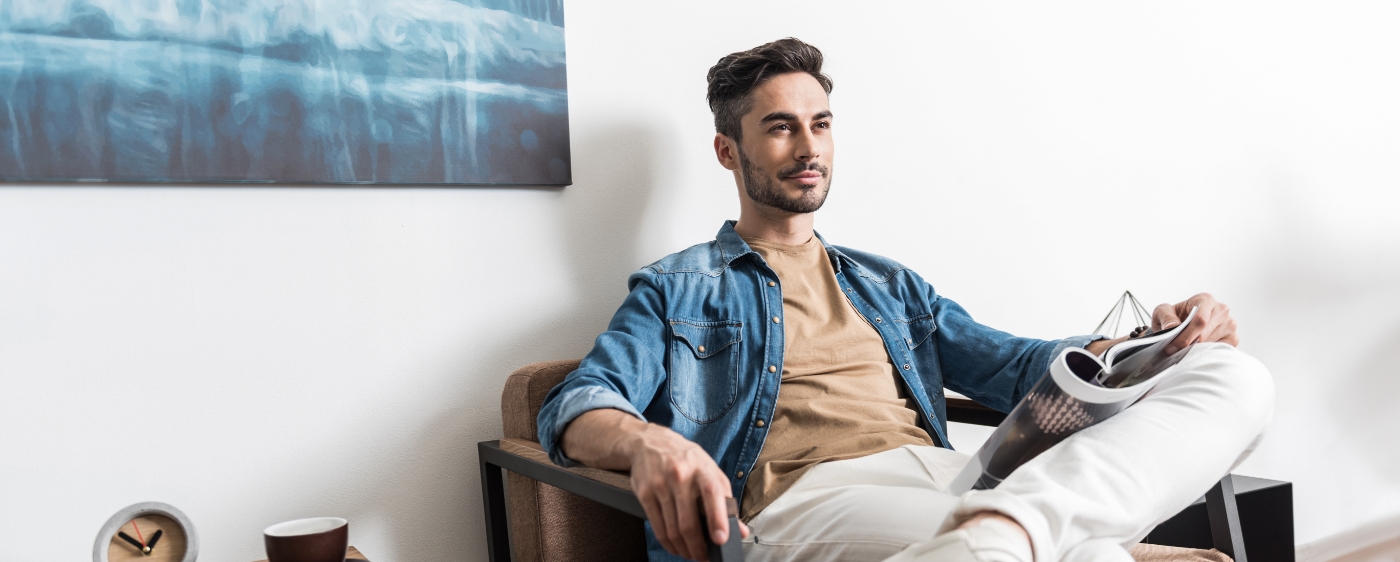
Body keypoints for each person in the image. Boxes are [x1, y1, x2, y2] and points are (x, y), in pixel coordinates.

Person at [536, 38, 1273, 562]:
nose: (809, 147)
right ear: (729, 150)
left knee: (1236, 376)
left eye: (820, 124)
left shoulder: (886, 283)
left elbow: (1020, 367)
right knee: (1089, 555)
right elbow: (576, 402)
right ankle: (1014, 532)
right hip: (807, 501)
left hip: (959, 477)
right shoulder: (677, 286)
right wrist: (649, 442)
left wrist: (1151, 346)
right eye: (780, 127)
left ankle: (1005, 529)